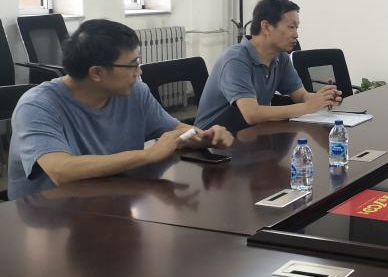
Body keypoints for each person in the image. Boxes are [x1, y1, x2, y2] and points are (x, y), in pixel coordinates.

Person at [7, 20, 233, 200]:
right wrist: (147, 155)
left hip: (111, 201)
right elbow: (61, 170)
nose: (139, 72)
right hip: (50, 219)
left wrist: (203, 137)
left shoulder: (135, 92)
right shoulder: (38, 106)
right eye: (133, 65)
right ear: (97, 73)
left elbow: (175, 132)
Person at [195, 0, 341, 133]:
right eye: (291, 27)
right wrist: (308, 107)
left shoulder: (281, 58)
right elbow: (252, 113)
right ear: (266, 27)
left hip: (249, 137)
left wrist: (322, 98)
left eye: (297, 28)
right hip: (212, 144)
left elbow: (301, 96)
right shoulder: (235, 59)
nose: (296, 34)